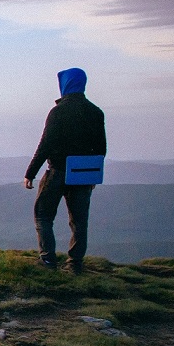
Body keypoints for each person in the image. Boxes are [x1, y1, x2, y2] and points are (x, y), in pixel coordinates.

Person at [24, 67, 106, 273]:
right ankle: (75, 264)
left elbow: (45, 145)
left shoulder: (58, 112)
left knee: (42, 215)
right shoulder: (96, 112)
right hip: (82, 175)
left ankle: (48, 261)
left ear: (65, 84)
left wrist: (30, 173)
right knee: (79, 221)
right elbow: (101, 149)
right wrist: (92, 174)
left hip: (58, 171)